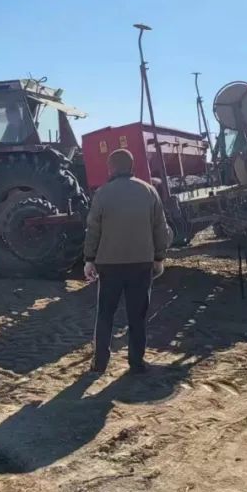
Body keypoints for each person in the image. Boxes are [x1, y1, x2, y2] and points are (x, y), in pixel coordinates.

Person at [83, 148, 170, 374]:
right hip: (141, 265)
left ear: (110, 168)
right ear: (132, 167)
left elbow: (93, 229)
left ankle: (99, 363)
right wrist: (159, 257)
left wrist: (89, 259)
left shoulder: (102, 194)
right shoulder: (149, 191)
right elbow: (161, 229)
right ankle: (136, 362)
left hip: (109, 266)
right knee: (137, 317)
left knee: (105, 316)